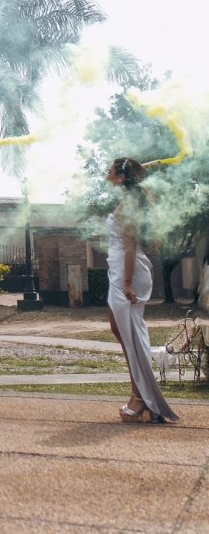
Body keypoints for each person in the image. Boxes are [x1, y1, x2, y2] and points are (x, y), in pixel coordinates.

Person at [105, 157, 178, 424]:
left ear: (121, 177)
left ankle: (140, 398)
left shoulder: (130, 205)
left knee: (130, 335)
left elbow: (130, 245)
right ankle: (140, 394)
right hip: (119, 270)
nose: (106, 173)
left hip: (128, 273)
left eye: (110, 170)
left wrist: (125, 283)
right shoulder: (127, 200)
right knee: (121, 330)